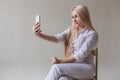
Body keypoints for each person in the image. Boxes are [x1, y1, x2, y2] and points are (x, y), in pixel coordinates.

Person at [32, 5, 98, 80]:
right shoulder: (71, 31)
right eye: (73, 17)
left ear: (84, 16)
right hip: (73, 68)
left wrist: (60, 61)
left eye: (76, 16)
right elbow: (57, 38)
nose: (74, 20)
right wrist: (40, 35)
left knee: (56, 68)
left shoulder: (92, 34)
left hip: (87, 69)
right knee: (63, 79)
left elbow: (80, 55)